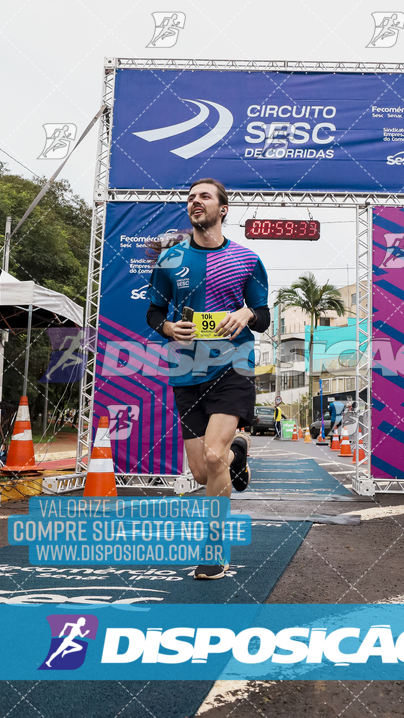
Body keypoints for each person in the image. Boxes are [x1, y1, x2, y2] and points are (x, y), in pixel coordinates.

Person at [146, 179, 270, 580]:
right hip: (186, 370)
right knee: (202, 472)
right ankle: (236, 455)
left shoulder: (247, 259)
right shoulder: (169, 262)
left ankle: (214, 549)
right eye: (190, 198)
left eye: (204, 197)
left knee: (212, 458)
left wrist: (247, 314)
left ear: (223, 209)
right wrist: (167, 328)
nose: (194, 202)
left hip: (233, 364)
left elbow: (264, 315)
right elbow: (152, 312)